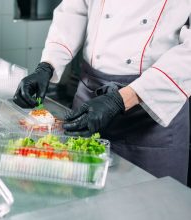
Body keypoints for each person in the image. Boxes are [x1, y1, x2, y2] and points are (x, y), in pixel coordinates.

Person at [13, 0, 190, 184]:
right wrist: (48, 65)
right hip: (89, 100)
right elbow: (75, 10)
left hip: (151, 108)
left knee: (149, 205)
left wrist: (120, 100)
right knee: (82, 198)